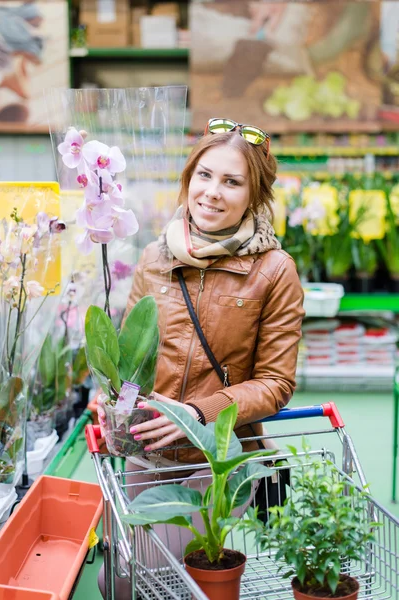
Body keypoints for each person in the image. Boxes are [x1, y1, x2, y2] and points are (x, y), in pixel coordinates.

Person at [98, 117, 304, 598]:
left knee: (163, 575)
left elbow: (276, 383)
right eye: (204, 175)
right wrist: (117, 406)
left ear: (254, 195)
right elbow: (133, 360)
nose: (212, 192)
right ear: (188, 180)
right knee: (120, 578)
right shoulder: (156, 257)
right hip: (145, 450)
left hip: (215, 460)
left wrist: (195, 414)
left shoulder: (274, 271)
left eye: (232, 181)